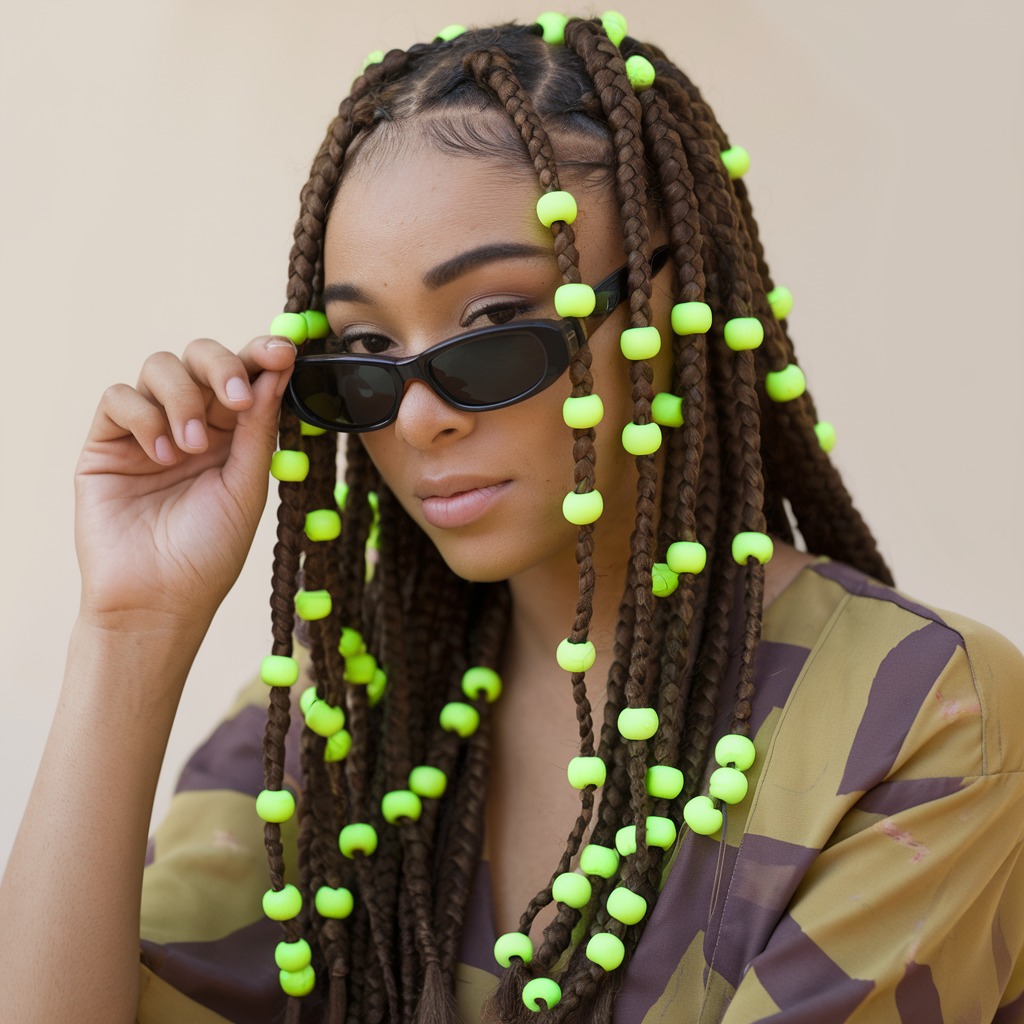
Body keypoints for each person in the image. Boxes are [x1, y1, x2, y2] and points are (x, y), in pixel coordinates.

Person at [2, 12, 1022, 1024]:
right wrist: (130, 626)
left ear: (672, 300)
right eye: (362, 346)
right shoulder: (348, 711)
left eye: (494, 322)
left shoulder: (926, 719)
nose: (416, 416)